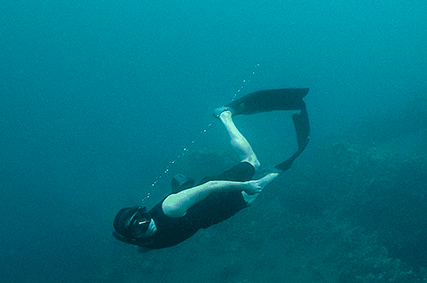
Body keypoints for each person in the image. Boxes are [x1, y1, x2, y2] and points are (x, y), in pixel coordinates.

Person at [111, 87, 310, 251]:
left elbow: (211, 186)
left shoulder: (170, 208)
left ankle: (225, 115)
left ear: (144, 213)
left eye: (143, 219)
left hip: (211, 194)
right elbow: (148, 243)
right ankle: (280, 169)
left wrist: (246, 184)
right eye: (139, 229)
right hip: (209, 215)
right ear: (133, 237)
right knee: (250, 198)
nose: (146, 226)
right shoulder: (143, 241)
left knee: (252, 163)